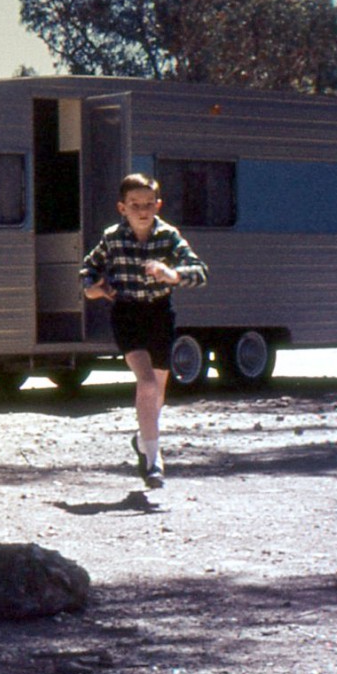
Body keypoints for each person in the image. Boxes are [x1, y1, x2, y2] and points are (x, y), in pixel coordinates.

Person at [81, 173, 208, 488]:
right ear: (122, 208)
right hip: (127, 313)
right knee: (147, 382)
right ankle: (154, 462)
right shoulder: (113, 238)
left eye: (149, 204)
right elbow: (89, 268)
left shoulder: (168, 236)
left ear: (158, 205)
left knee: (157, 393)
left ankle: (142, 439)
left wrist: (172, 274)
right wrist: (92, 289)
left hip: (159, 314)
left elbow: (200, 271)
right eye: (135, 204)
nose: (142, 211)